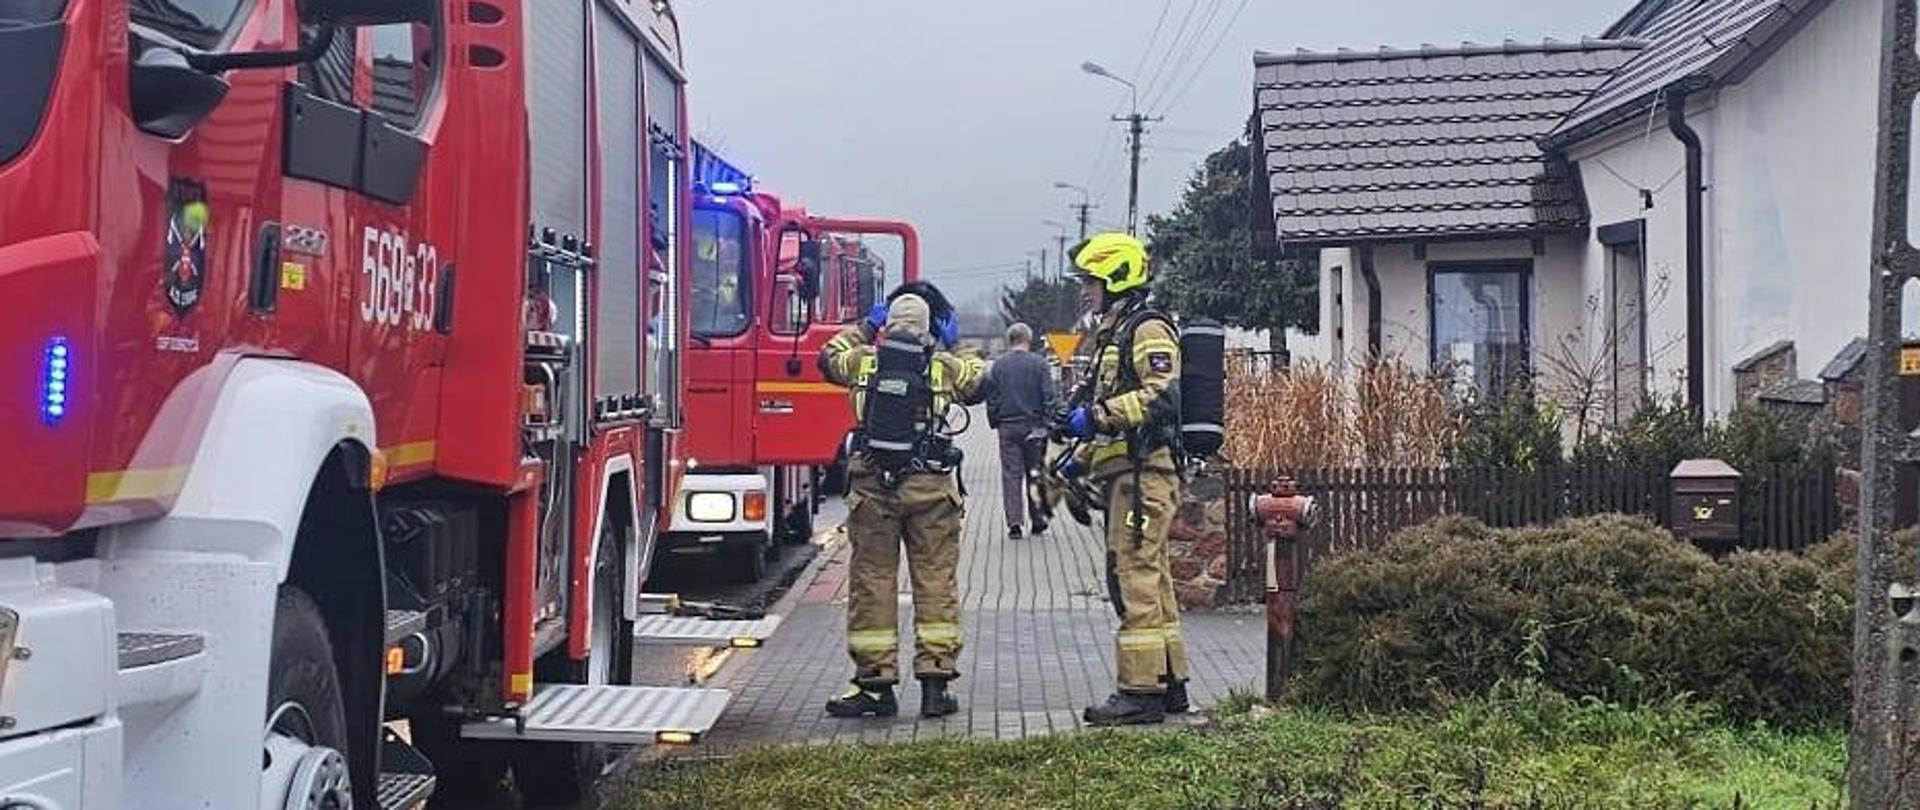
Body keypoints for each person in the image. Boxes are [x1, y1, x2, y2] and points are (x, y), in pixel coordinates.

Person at [817, 283, 986, 719]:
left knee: (873, 582)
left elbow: (827, 357)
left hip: (874, 489)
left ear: (887, 324)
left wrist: (864, 327)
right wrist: (955, 341)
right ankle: (935, 687)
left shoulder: (864, 362)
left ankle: (875, 687)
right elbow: (981, 379)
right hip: (930, 489)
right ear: (930, 328)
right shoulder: (943, 367)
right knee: (936, 582)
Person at [1055, 232, 1190, 726]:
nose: (1085, 291)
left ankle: (1139, 692)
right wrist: (1079, 458)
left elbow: (1161, 398)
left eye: (1091, 282)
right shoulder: (1116, 333)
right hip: (1129, 473)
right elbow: (1116, 418)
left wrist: (1096, 417)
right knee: (1153, 581)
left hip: (1145, 475)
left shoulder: (1147, 329)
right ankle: (1170, 683)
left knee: (1132, 575)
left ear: (1115, 277)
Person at [986, 322, 1058, 539]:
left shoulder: (998, 366)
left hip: (1007, 426)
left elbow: (992, 398)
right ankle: (1038, 520)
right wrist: (1049, 422)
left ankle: (1015, 524)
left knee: (1011, 476)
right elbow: (1049, 396)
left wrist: (994, 420)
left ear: (1010, 341)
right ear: (1029, 339)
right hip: (1034, 427)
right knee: (1035, 473)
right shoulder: (1040, 364)